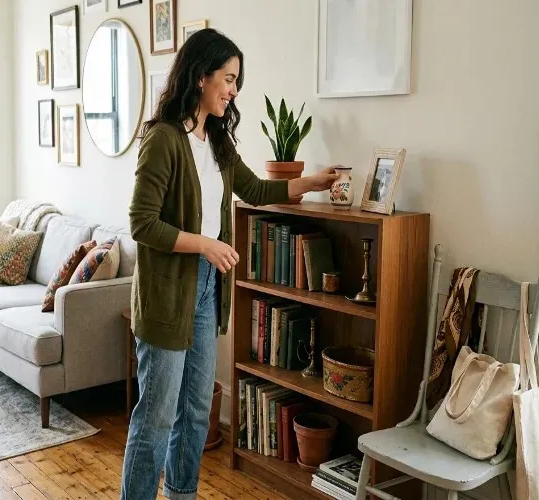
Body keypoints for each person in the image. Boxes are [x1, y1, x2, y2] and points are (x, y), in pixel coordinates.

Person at [122, 28, 340, 500]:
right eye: (229, 78)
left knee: (197, 409)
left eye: (237, 81)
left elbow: (257, 190)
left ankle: (182, 495)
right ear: (201, 77)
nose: (234, 90)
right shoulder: (163, 139)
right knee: (156, 416)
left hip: (206, 290)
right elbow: (142, 223)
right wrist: (204, 244)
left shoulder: (217, 142)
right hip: (167, 292)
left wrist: (314, 182)